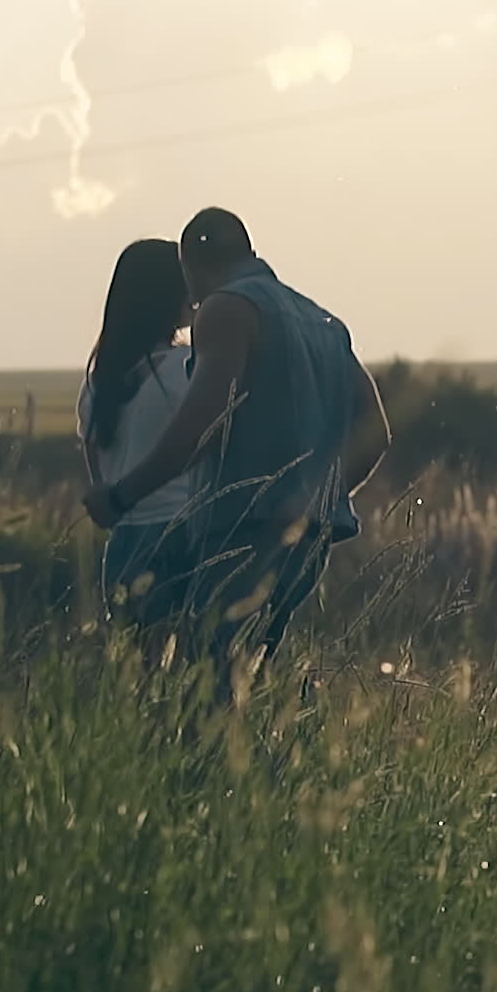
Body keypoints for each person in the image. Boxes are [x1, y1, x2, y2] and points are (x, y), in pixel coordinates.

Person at [84, 209, 390, 670]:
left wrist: (124, 493)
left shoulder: (225, 309)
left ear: (190, 267)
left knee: (209, 687)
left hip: (243, 529)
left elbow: (205, 423)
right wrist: (314, 499)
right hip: (309, 538)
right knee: (249, 679)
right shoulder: (321, 321)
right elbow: (377, 433)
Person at [77, 238, 192, 628]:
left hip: (124, 546)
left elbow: (98, 476)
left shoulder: (97, 383)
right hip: (182, 538)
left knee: (138, 676)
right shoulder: (189, 369)